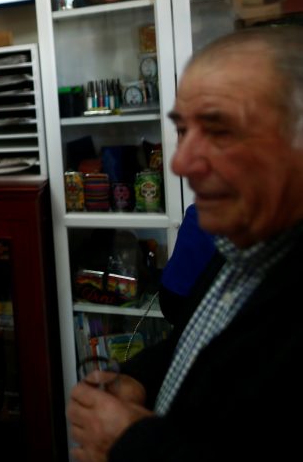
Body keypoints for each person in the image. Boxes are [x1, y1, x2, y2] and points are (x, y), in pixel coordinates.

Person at [66, 25, 303, 461]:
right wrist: (139, 379)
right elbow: (206, 341)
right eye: (184, 131)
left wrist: (130, 444)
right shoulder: (240, 249)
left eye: (220, 132)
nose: (180, 162)